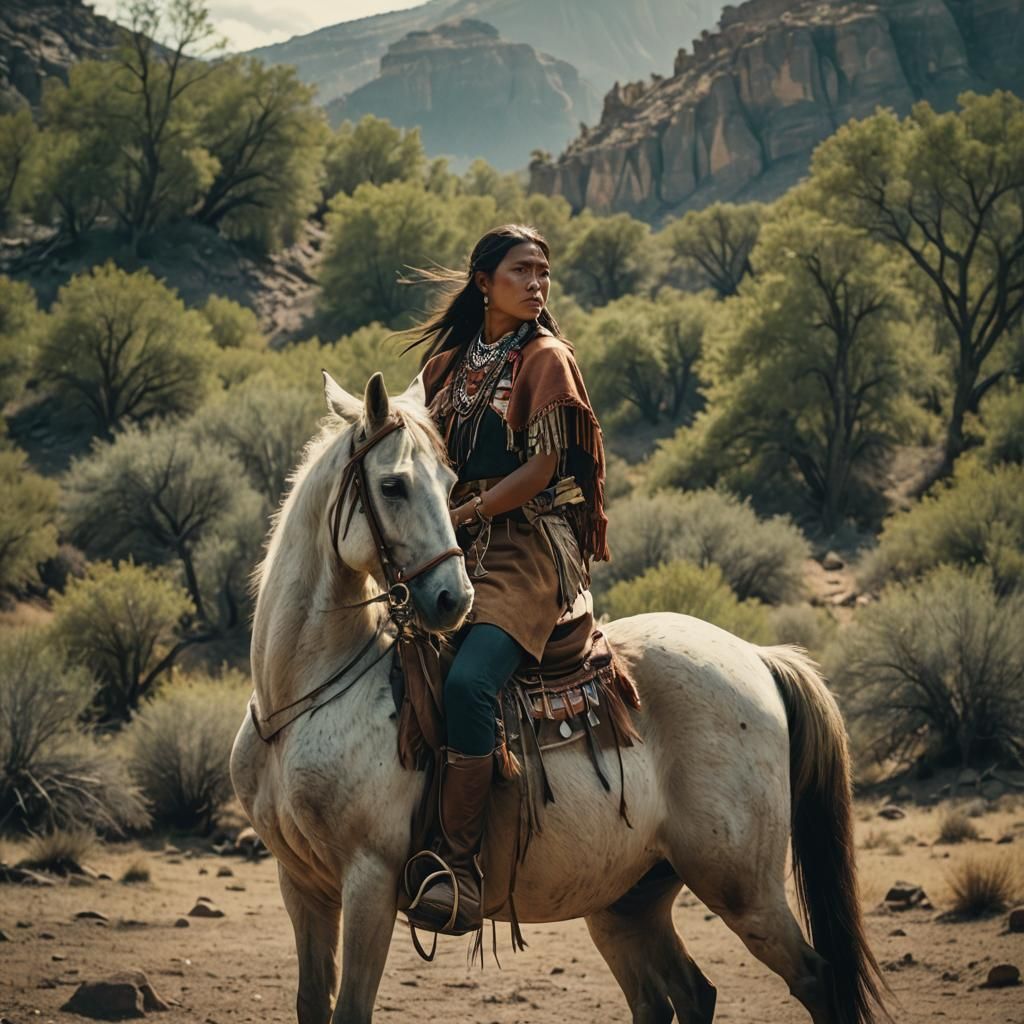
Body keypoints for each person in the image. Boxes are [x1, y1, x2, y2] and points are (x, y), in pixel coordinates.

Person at [402, 224, 610, 935]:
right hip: (449, 544)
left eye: (544, 273)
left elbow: (544, 470)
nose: (537, 283)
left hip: (526, 548)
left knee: (467, 683)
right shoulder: (446, 367)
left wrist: (471, 509)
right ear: (484, 281)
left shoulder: (547, 360)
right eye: (521, 271)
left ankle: (458, 864)